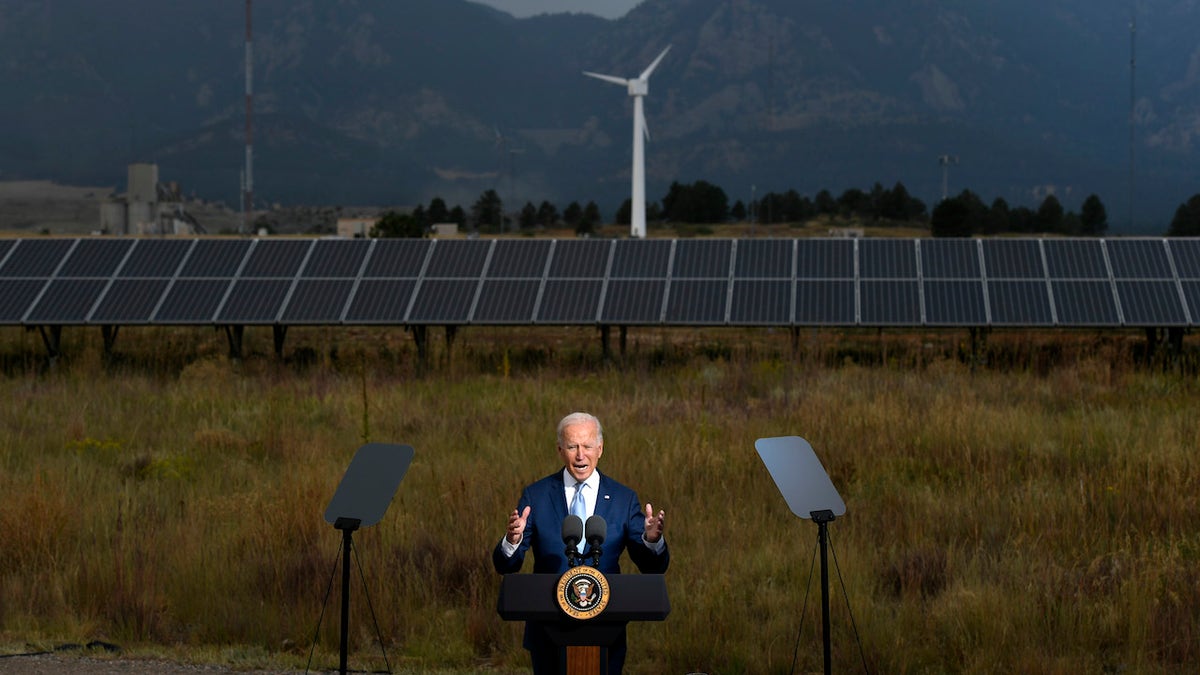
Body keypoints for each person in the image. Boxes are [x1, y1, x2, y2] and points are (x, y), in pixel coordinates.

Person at [493, 411, 669, 675]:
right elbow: (506, 564)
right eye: (572, 446)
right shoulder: (537, 495)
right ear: (560, 449)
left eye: (587, 446)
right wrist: (512, 540)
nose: (580, 455)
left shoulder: (623, 498)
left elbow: (652, 566)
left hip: (606, 629)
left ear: (600, 448)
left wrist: (652, 541)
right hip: (548, 629)